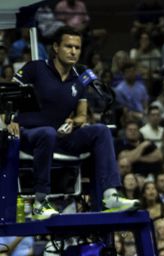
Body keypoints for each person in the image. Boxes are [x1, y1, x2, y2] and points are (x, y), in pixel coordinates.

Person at [9, 27, 139, 219]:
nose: (73, 51)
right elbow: (7, 96)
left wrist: (72, 122)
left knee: (101, 130)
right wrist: (8, 120)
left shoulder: (79, 79)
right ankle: (40, 202)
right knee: (47, 133)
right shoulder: (35, 68)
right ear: (55, 47)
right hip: (28, 135)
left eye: (77, 47)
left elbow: (81, 115)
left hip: (59, 136)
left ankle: (110, 194)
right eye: (68, 46)